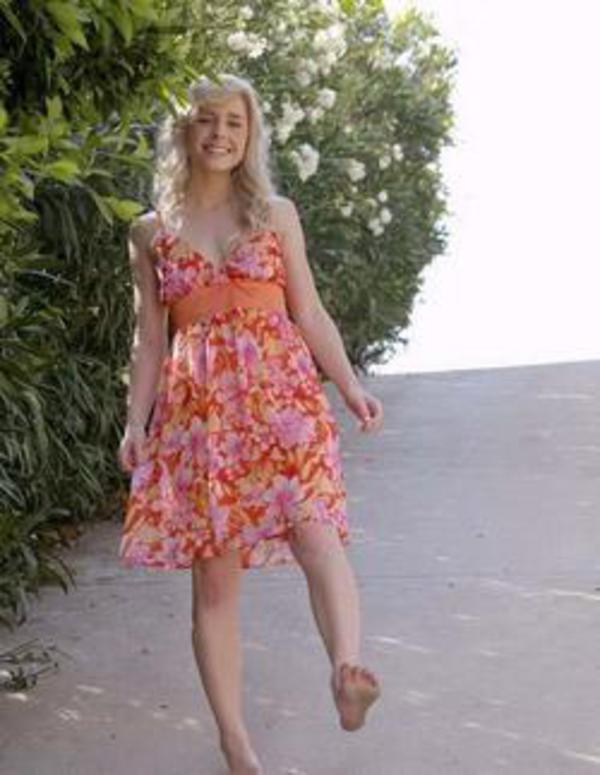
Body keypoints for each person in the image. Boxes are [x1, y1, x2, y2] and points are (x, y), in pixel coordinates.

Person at [117, 73, 384, 775]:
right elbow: (150, 340)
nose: (221, 134)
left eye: (234, 123)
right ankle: (237, 745)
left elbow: (309, 312)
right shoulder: (150, 232)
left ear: (250, 134)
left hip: (283, 402)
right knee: (215, 582)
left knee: (316, 531)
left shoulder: (275, 214)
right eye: (207, 120)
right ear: (185, 131)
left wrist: (350, 385)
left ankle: (347, 668)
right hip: (201, 419)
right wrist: (135, 423)